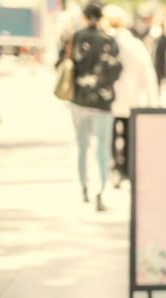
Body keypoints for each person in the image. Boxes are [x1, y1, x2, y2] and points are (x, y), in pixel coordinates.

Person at [64, 0, 123, 211]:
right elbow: (116, 71)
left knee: (82, 145)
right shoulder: (109, 41)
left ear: (85, 16)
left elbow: (67, 63)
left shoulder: (77, 37)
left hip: (79, 99)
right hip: (102, 101)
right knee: (102, 148)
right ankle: (100, 190)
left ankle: (83, 187)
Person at [103, 5, 158, 188]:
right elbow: (147, 71)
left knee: (110, 135)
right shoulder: (134, 43)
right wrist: (152, 100)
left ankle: (114, 169)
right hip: (131, 97)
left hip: (109, 98)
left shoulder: (105, 41)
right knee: (128, 134)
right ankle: (125, 168)